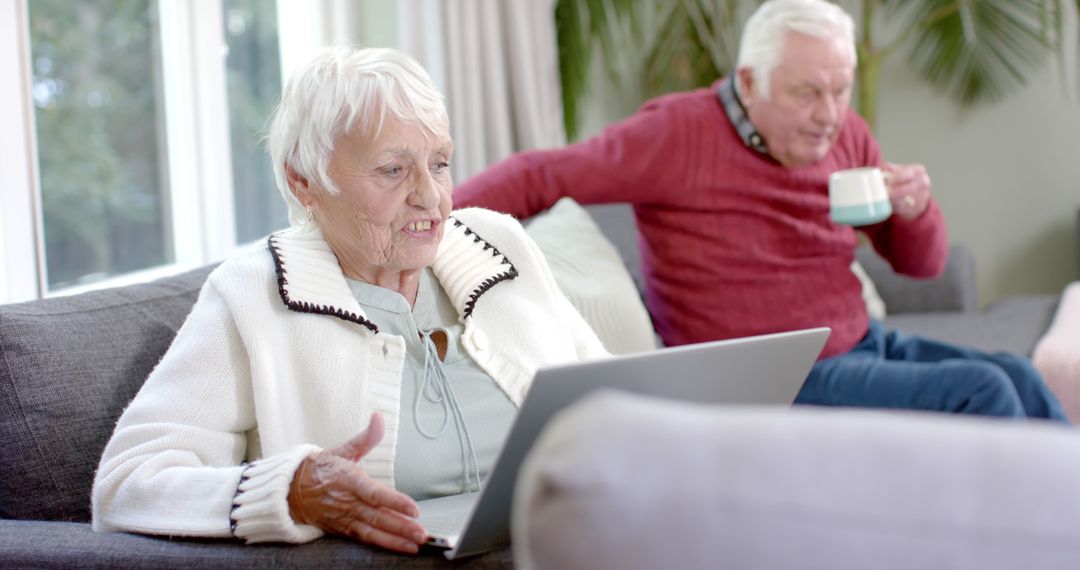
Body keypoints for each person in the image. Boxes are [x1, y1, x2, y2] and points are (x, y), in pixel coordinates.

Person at [91, 46, 608, 554]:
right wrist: (294, 492)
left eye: (440, 163)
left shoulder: (500, 245)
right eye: (393, 170)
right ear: (304, 180)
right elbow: (127, 481)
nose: (432, 196)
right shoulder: (254, 296)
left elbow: (612, 395)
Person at [454, 0, 1068, 423]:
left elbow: (922, 265)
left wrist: (917, 209)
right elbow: (542, 174)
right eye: (807, 93)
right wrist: (432, 216)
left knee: (1020, 375)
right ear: (749, 83)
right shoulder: (676, 134)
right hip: (768, 374)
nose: (830, 112)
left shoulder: (844, 134)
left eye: (840, 88)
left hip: (859, 344)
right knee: (983, 391)